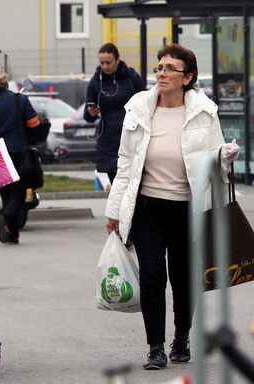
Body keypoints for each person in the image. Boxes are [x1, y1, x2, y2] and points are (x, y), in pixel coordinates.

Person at [104, 44, 240, 370]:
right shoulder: (138, 108)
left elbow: (213, 158)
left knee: (183, 278)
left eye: (170, 68)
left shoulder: (204, 112)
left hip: (187, 210)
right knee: (152, 277)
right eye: (159, 67)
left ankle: (182, 337)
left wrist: (223, 157)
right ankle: (155, 347)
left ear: (187, 77)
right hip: (147, 208)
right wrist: (113, 209)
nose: (161, 73)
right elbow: (126, 165)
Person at [0, 67, 39, 244]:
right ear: (6, 82)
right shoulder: (19, 99)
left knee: (5, 193)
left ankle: (12, 234)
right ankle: (4, 215)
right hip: (15, 151)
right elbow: (34, 124)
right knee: (18, 194)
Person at [84, 43, 145, 184]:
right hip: (108, 140)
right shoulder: (95, 82)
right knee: (117, 184)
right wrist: (91, 112)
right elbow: (87, 117)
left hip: (131, 136)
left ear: (118, 59)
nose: (105, 66)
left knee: (136, 182)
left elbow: (146, 104)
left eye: (109, 62)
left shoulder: (131, 78)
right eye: (102, 63)